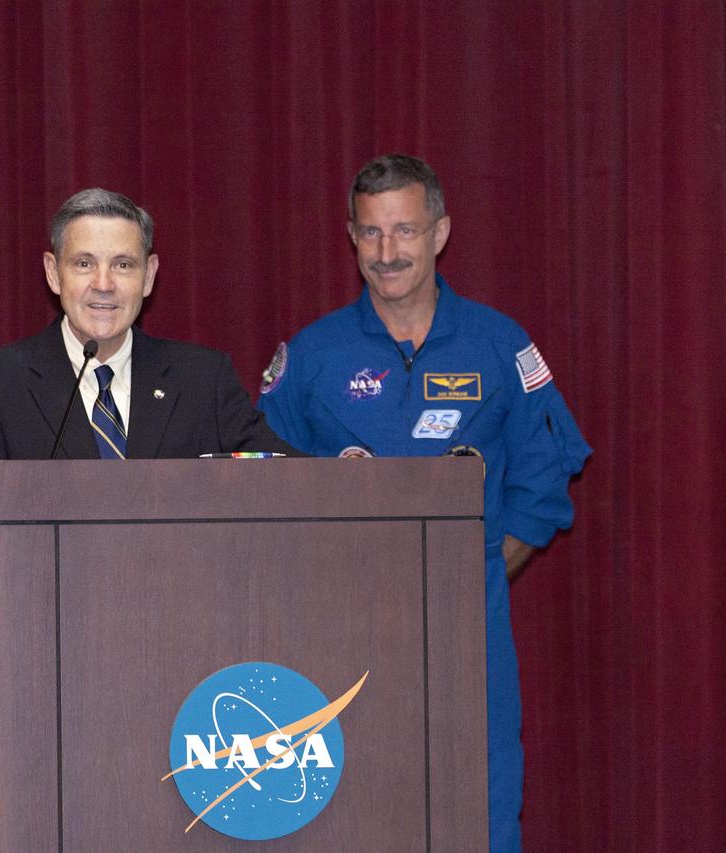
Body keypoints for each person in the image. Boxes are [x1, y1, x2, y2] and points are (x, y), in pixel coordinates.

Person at [258, 154, 590, 852]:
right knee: (345, 810)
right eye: (371, 232)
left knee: (477, 801)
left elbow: (541, 486)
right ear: (351, 236)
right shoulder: (312, 356)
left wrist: (472, 574)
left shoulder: (500, 345)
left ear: (440, 233)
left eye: (405, 230)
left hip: (466, 631)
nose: (387, 252)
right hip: (336, 632)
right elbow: (260, 487)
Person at [0, 187, 293, 569]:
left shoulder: (203, 379)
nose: (103, 284)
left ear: (148, 275)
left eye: (123, 265)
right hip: (50, 603)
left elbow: (288, 479)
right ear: (53, 272)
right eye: (84, 263)